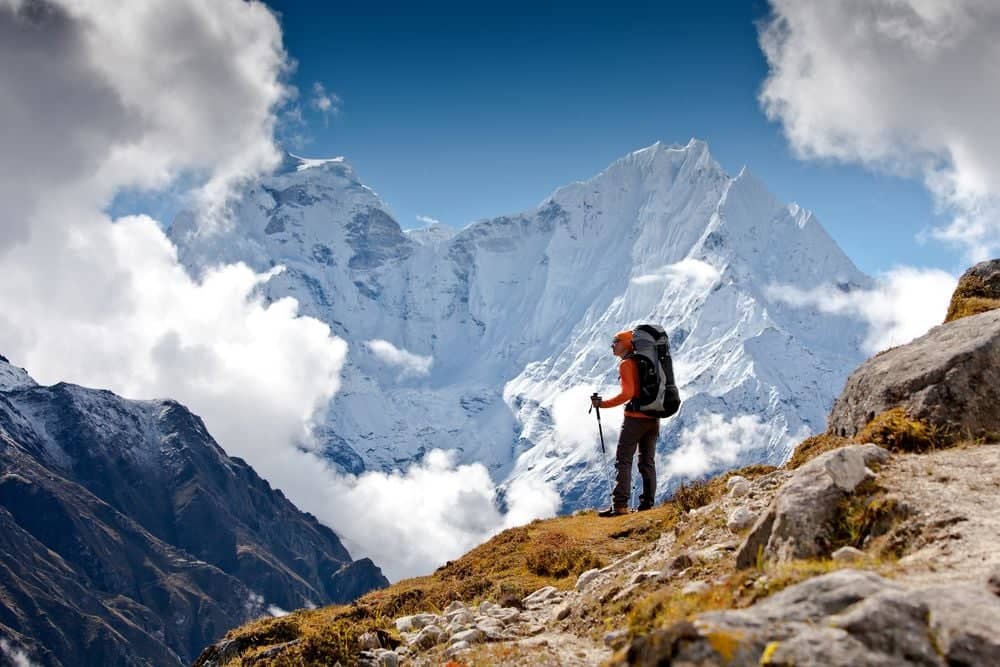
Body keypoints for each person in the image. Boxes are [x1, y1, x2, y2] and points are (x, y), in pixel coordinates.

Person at [591, 330, 660, 517]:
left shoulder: (626, 364)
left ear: (627, 344)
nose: (612, 345)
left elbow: (627, 393)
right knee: (647, 462)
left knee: (624, 460)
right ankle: (647, 506)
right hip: (653, 417)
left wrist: (602, 404)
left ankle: (620, 506)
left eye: (616, 341)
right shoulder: (647, 362)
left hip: (634, 419)